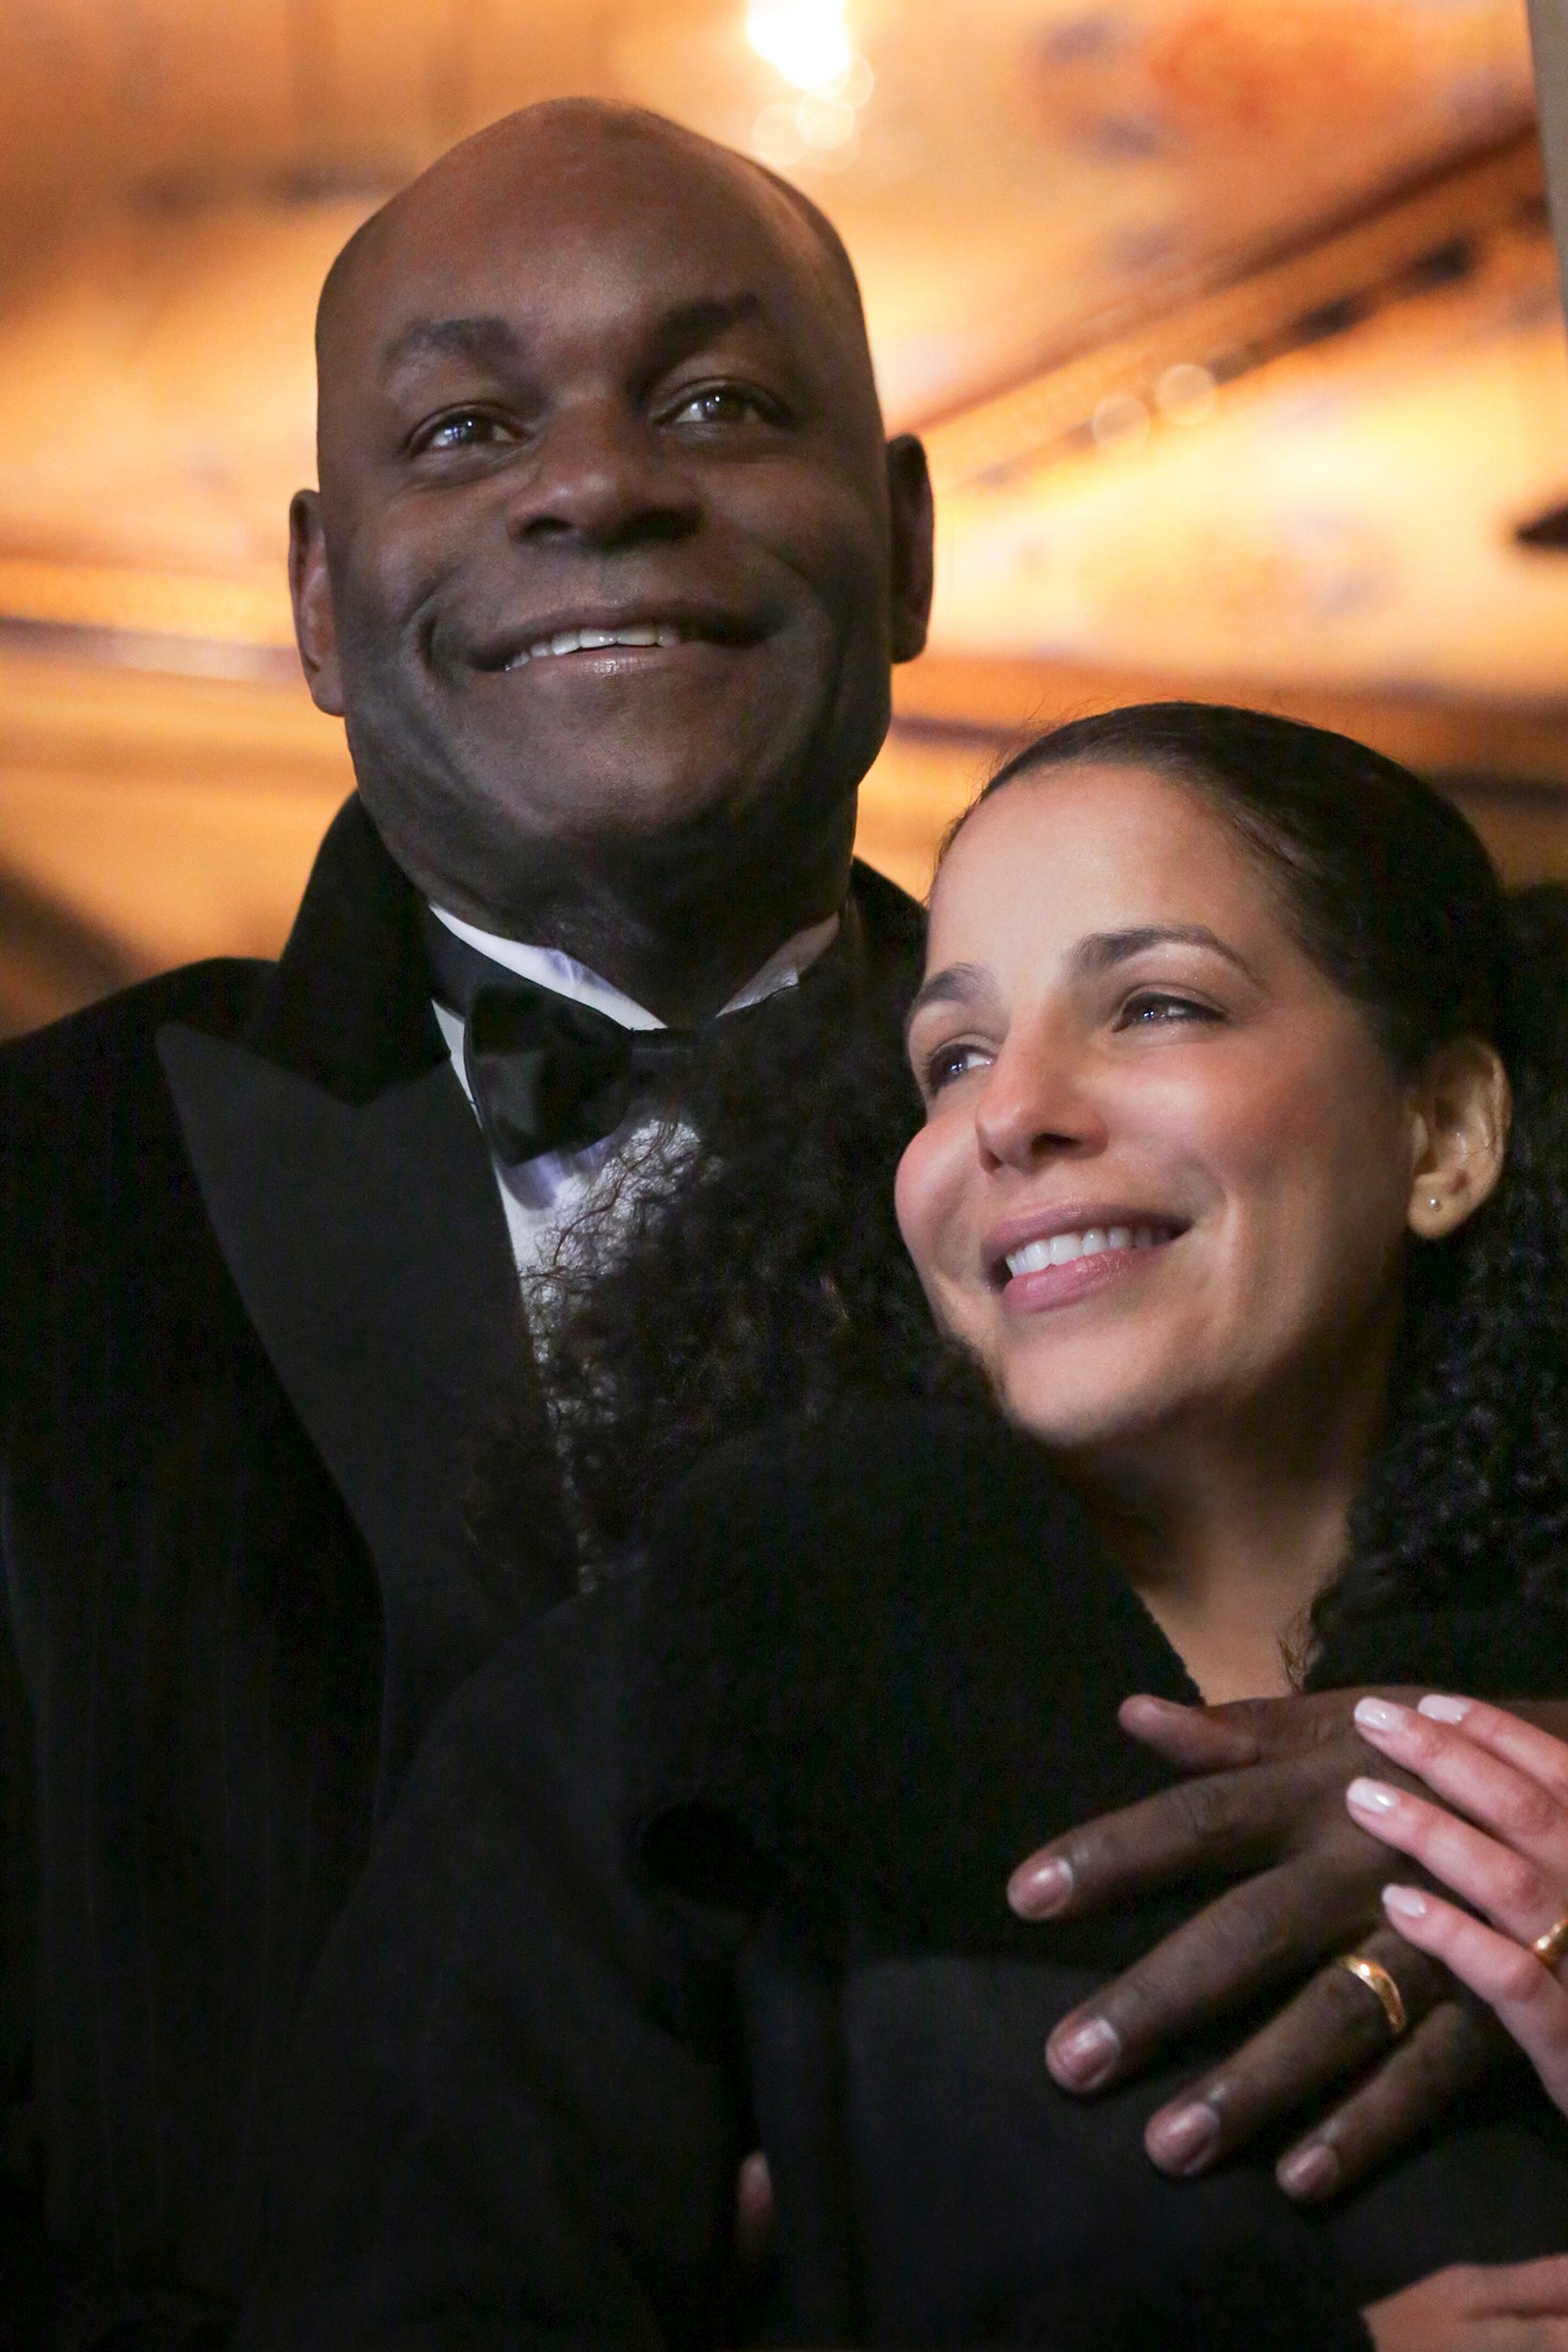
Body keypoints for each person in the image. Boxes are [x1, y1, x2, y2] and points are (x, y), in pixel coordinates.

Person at [0, 92, 1554, 2337]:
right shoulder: (42, 1201)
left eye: (720, 403)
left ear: (905, 542)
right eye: (463, 428)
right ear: (319, 599)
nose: (599, 483)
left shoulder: (1195, 1207)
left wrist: (1494, 1798)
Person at [238, 705, 1568, 2350]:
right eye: (953, 1058)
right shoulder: (653, 1719)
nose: (1011, 1115)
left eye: (1154, 1005)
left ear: (1443, 1139)